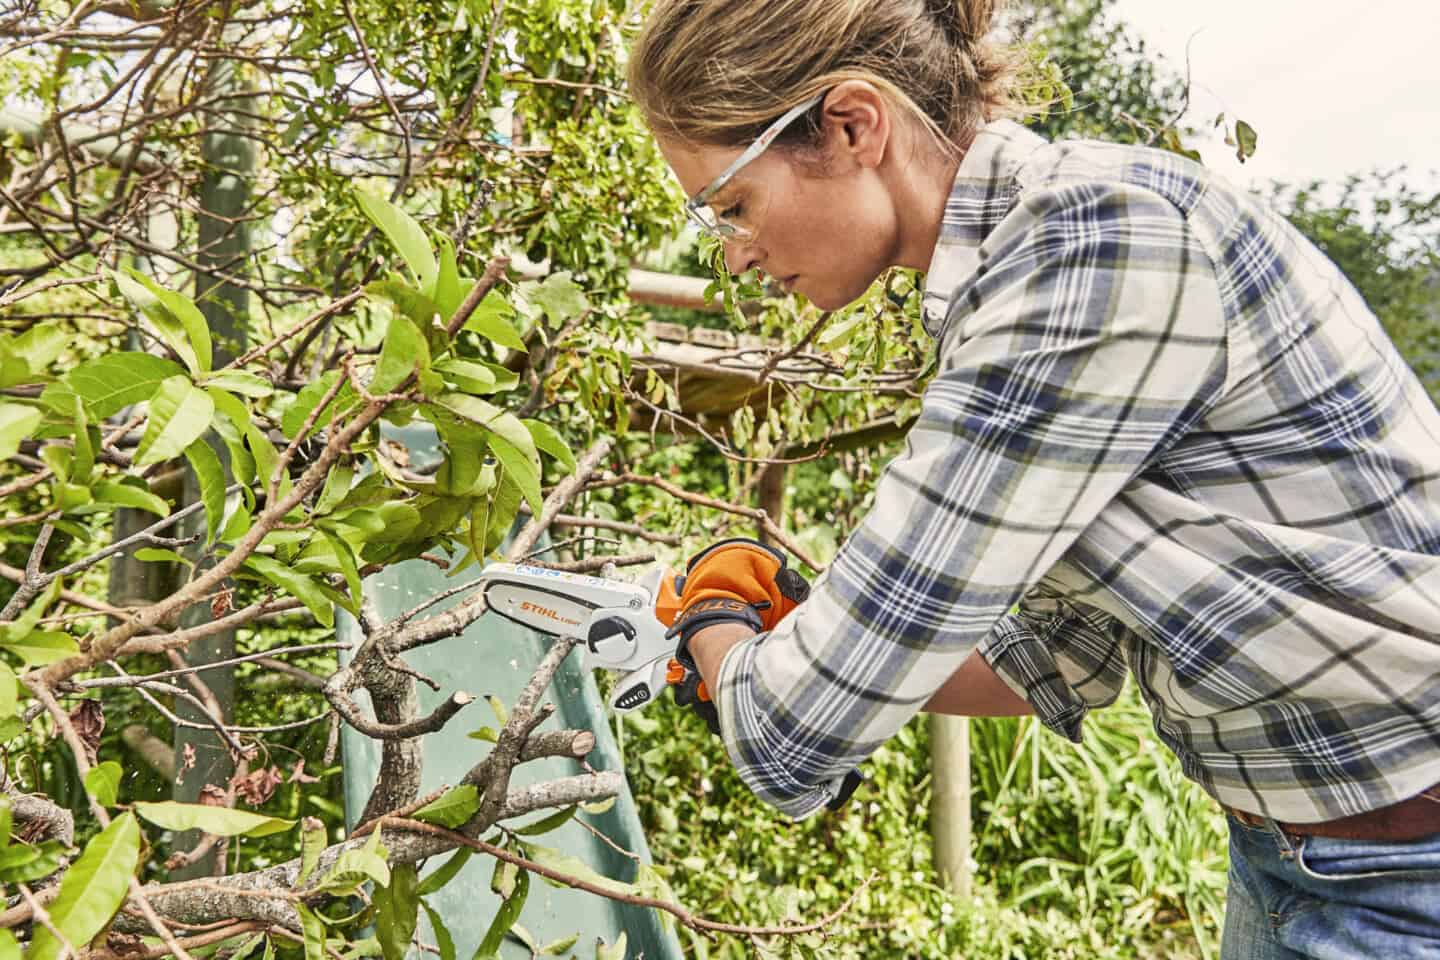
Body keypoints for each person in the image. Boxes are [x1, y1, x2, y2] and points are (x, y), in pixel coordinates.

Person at [626, 1, 1440, 957]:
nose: (735, 253)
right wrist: (805, 634)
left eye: (731, 205)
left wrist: (713, 625)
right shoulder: (1021, 273)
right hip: (1308, 851)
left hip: (1402, 872)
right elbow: (1062, 651)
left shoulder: (1089, 249)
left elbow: (788, 733)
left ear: (853, 124)